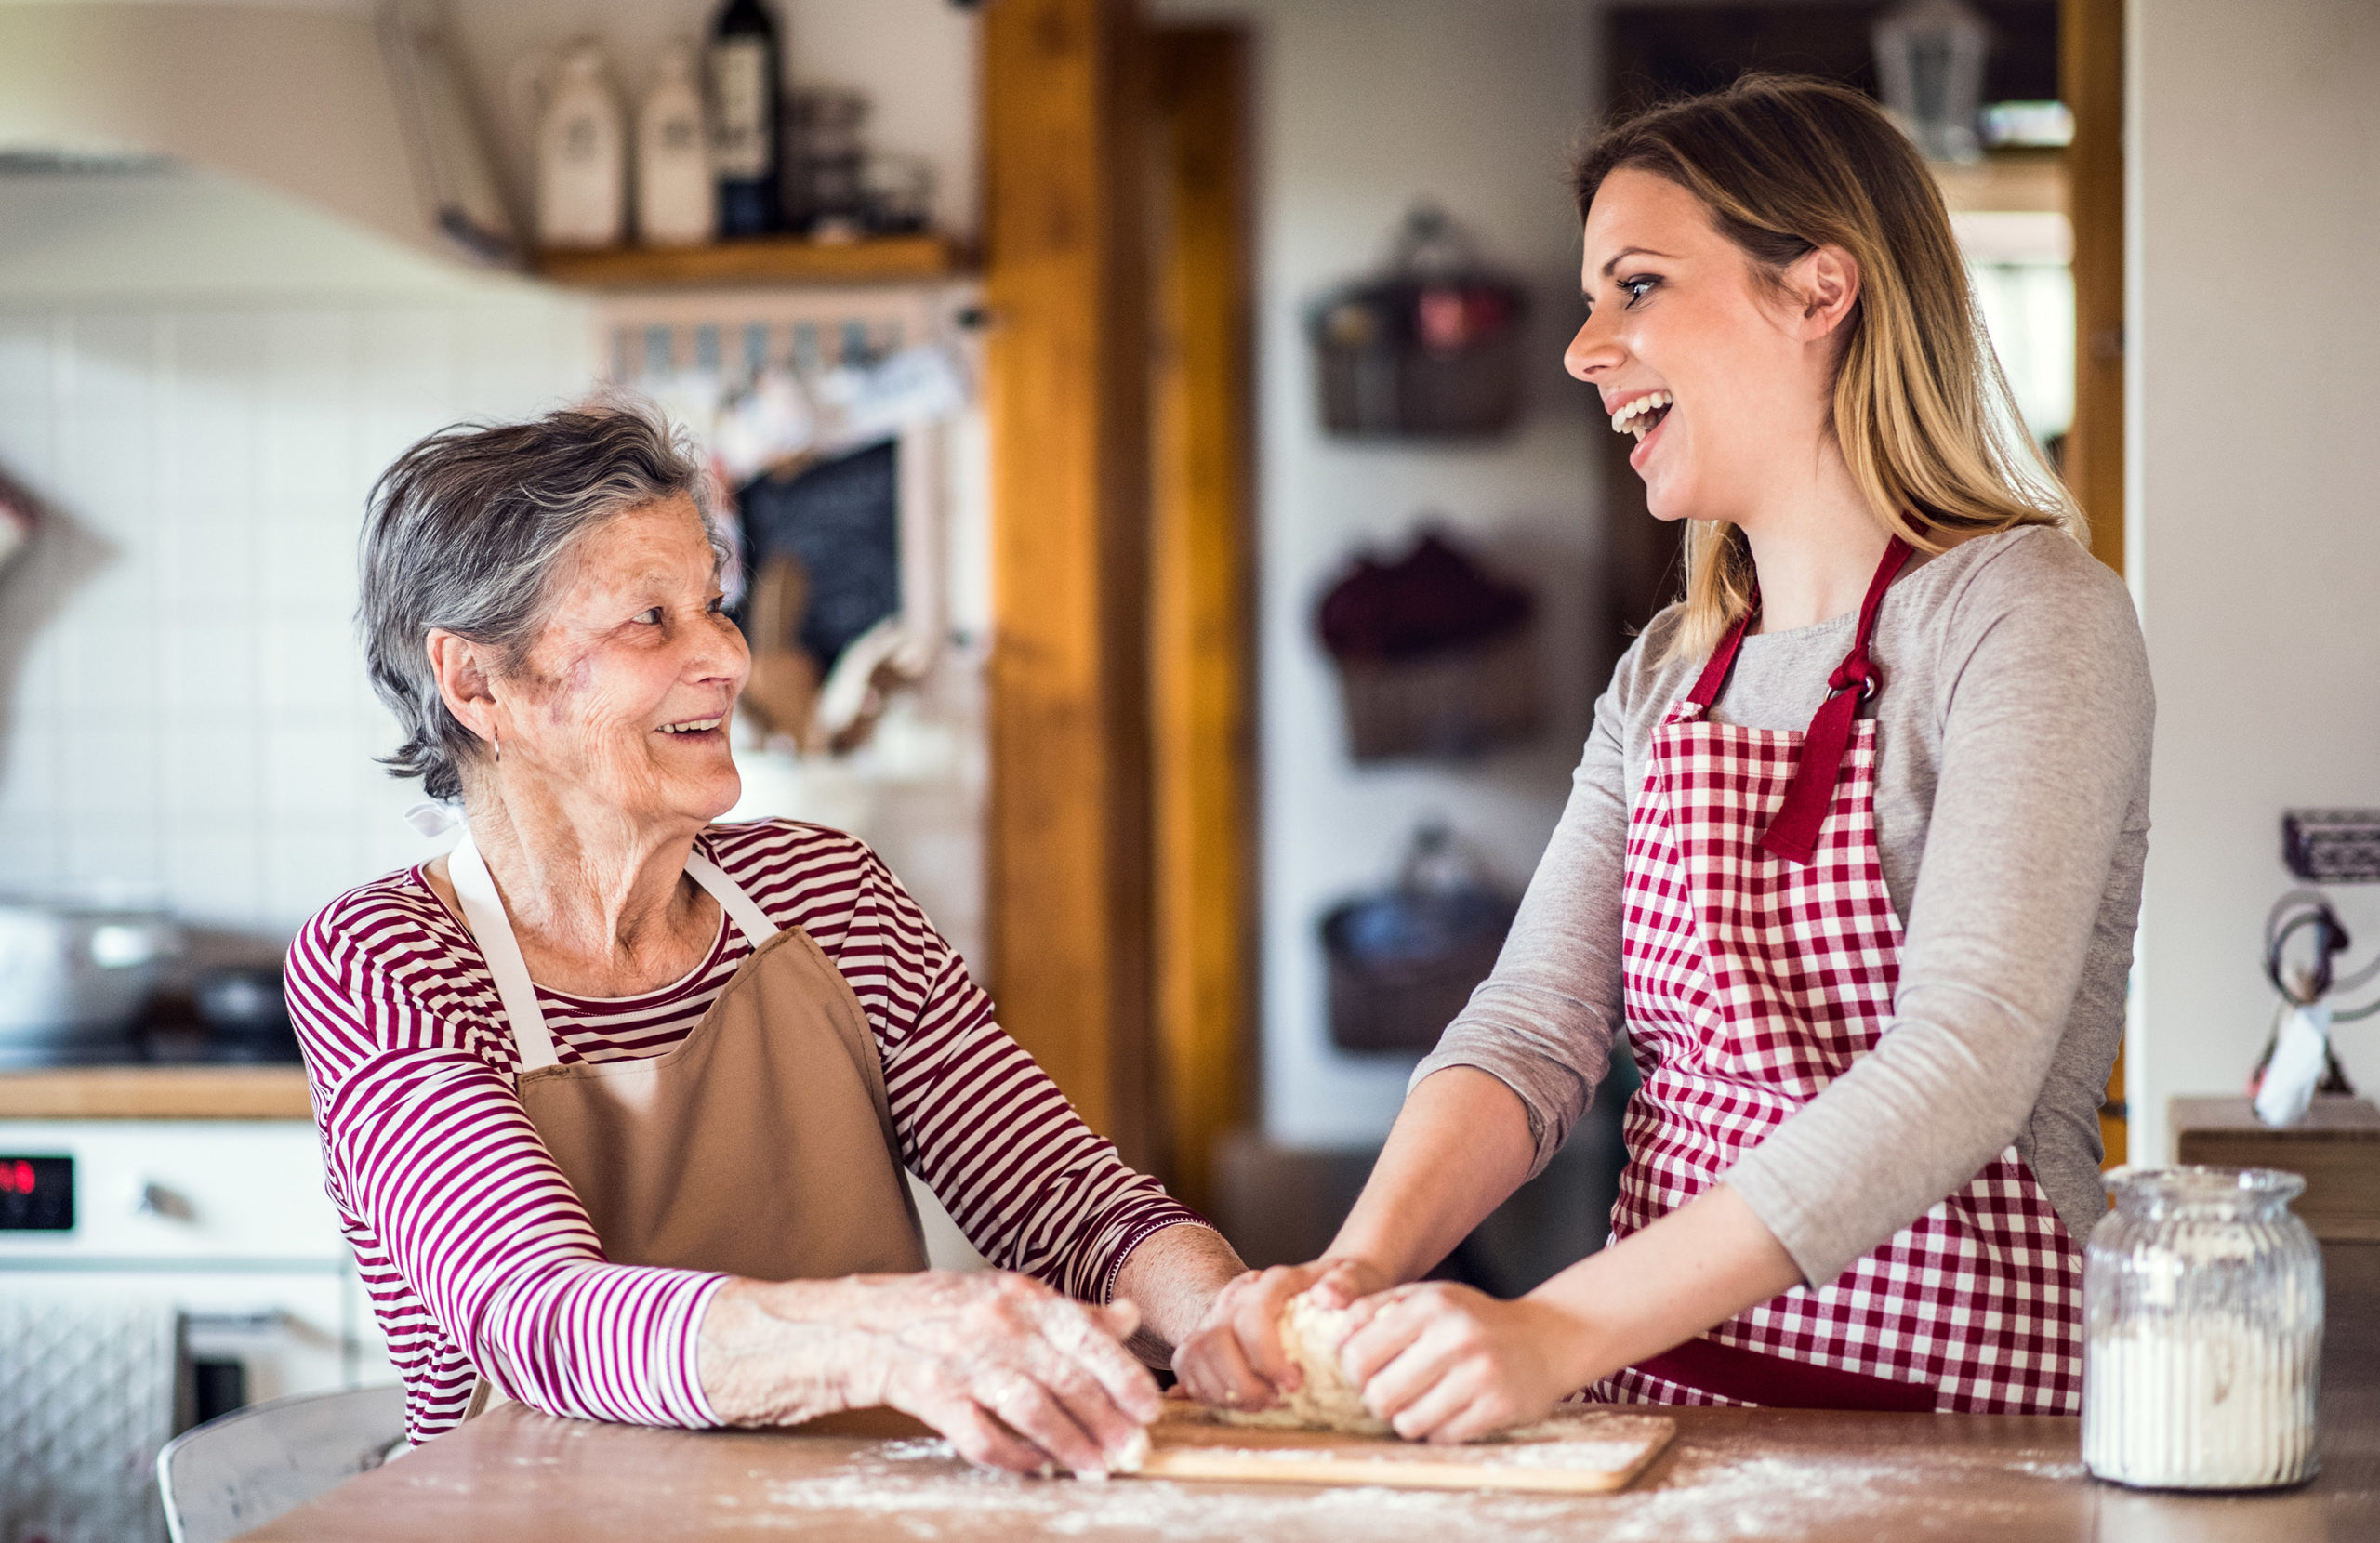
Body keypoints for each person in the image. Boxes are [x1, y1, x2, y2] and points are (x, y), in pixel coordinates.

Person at [1175, 75, 2150, 1440]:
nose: (1583, 348)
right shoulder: (1669, 675)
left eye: (1633, 287)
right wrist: (1353, 1276)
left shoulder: (2027, 615)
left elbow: (1961, 1067)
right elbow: (1531, 1034)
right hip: (1658, 1406)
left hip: (1957, 1427)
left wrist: (1551, 1327)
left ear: (1820, 292)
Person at [289, 403, 1246, 1470]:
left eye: (713, 604)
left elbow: (1068, 1204)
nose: (728, 659)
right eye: (649, 619)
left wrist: (1227, 1316)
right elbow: (537, 1314)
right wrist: (888, 1339)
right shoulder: (383, 958)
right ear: (478, 683)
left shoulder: (827, 893)